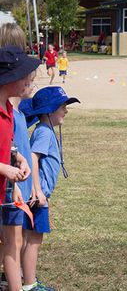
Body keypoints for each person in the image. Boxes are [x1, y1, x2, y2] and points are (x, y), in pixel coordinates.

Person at [19, 86, 80, 291]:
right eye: (62, 106)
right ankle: (29, 284)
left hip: (38, 193)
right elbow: (33, 160)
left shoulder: (44, 130)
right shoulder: (44, 132)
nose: (66, 111)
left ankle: (24, 278)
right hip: (38, 195)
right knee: (35, 240)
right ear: (49, 110)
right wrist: (38, 190)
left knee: (29, 238)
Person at [0, 23, 39, 291]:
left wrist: (18, 159)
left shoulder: (8, 113)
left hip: (4, 192)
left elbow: (7, 146)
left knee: (10, 243)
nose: (28, 80)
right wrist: (5, 168)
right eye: (23, 75)